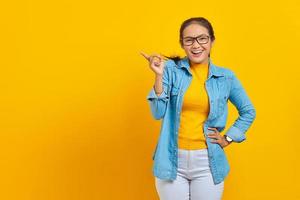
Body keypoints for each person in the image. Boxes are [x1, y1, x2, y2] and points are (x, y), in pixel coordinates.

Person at [141, 17, 256, 200]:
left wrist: (228, 138)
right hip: (172, 160)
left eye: (202, 38)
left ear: (212, 41)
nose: (196, 45)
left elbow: (248, 111)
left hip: (208, 162)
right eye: (189, 40)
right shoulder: (170, 70)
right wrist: (158, 76)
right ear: (182, 44)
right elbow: (157, 113)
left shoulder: (225, 77)